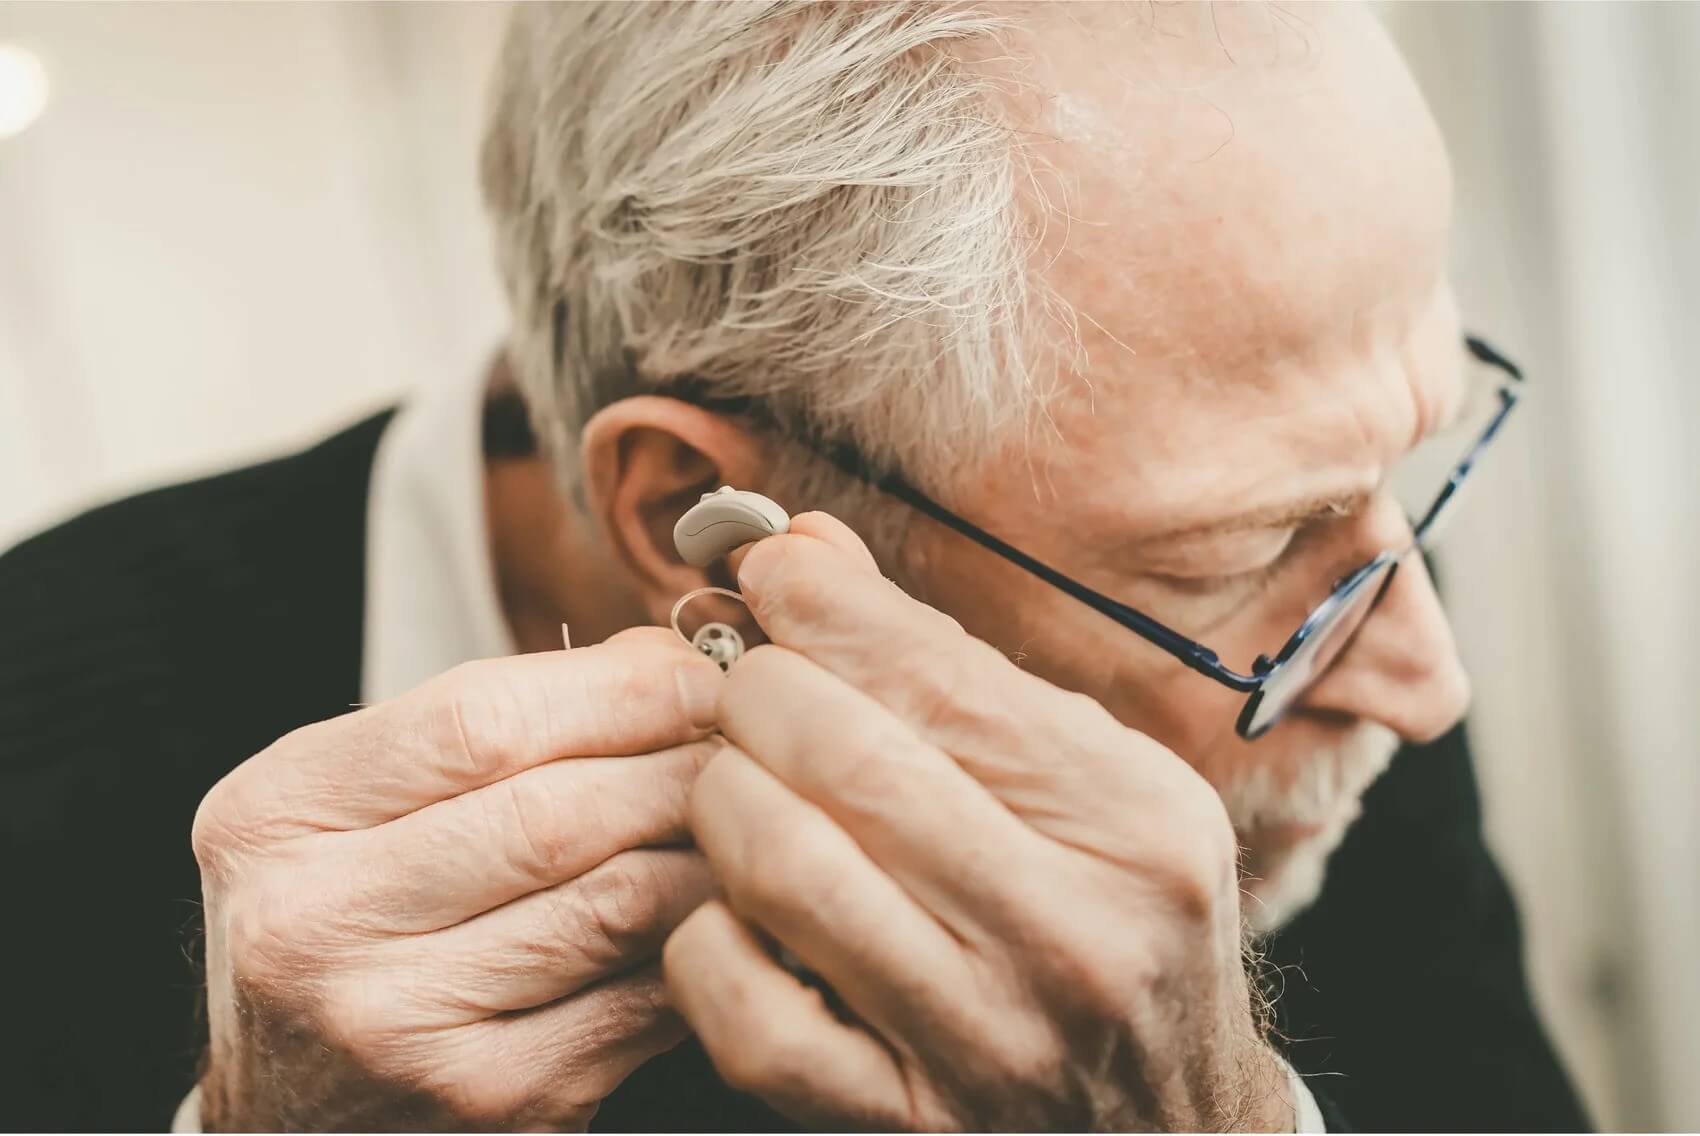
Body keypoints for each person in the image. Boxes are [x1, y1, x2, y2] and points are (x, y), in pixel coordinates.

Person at [0, 2, 1589, 1131]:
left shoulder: (1321, 660)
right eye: (1245, 549)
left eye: (1403, 470)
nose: (1428, 679)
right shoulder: (35, 729)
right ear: (701, 522)